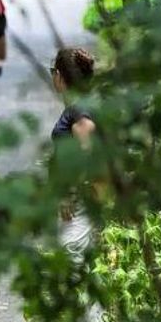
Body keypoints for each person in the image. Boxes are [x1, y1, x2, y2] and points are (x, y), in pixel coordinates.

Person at [50, 47, 97, 265]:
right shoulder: (79, 106)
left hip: (78, 204)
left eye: (53, 71)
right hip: (79, 203)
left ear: (59, 75)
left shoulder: (79, 110)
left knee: (72, 264)